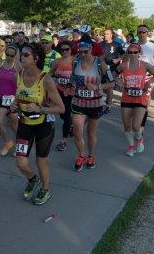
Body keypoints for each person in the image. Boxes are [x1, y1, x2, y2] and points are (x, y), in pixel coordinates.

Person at [9, 43, 64, 205]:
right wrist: (15, 104)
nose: (21, 57)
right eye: (22, 54)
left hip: (43, 125)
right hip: (25, 123)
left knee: (41, 160)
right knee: (21, 161)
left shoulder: (45, 79)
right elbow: (19, 96)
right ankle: (33, 180)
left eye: (26, 55)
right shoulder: (17, 75)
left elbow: (61, 108)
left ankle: (45, 189)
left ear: (36, 58)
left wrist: (40, 108)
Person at [70, 41, 112, 171]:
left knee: (91, 132)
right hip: (78, 102)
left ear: (91, 50)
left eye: (85, 52)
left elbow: (112, 83)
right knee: (77, 132)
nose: (82, 54)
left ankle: (91, 156)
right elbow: (72, 78)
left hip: (95, 103)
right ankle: (82, 155)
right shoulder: (76, 61)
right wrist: (69, 86)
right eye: (80, 52)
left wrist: (97, 86)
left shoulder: (99, 63)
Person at [116, 43, 154, 156]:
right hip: (126, 98)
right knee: (126, 125)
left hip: (140, 98)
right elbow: (112, 74)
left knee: (136, 126)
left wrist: (148, 82)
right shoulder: (124, 65)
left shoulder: (145, 65)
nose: (133, 54)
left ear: (139, 53)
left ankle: (139, 139)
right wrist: (119, 81)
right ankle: (131, 146)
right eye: (130, 52)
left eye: (135, 52)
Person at [0, 45, 20, 155]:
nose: (9, 57)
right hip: (1, 97)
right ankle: (8, 142)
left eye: (11, 55)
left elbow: (22, 84)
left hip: (13, 99)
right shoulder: (2, 63)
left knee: (14, 124)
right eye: (7, 54)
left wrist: (17, 100)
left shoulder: (18, 66)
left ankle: (20, 144)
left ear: (16, 55)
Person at [49, 40, 74, 152]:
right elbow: (50, 73)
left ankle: (63, 141)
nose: (64, 52)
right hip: (59, 90)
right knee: (62, 115)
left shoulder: (75, 61)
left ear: (70, 50)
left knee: (67, 116)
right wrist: (52, 78)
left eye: (66, 49)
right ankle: (72, 125)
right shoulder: (57, 61)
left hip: (71, 93)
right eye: (62, 50)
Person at [99, 28, 125, 112]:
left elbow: (124, 54)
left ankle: (108, 106)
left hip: (111, 69)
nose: (105, 35)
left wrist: (118, 60)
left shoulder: (117, 44)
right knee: (99, 86)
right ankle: (99, 104)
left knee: (109, 86)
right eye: (104, 34)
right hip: (101, 68)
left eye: (107, 34)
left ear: (111, 35)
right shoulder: (100, 45)